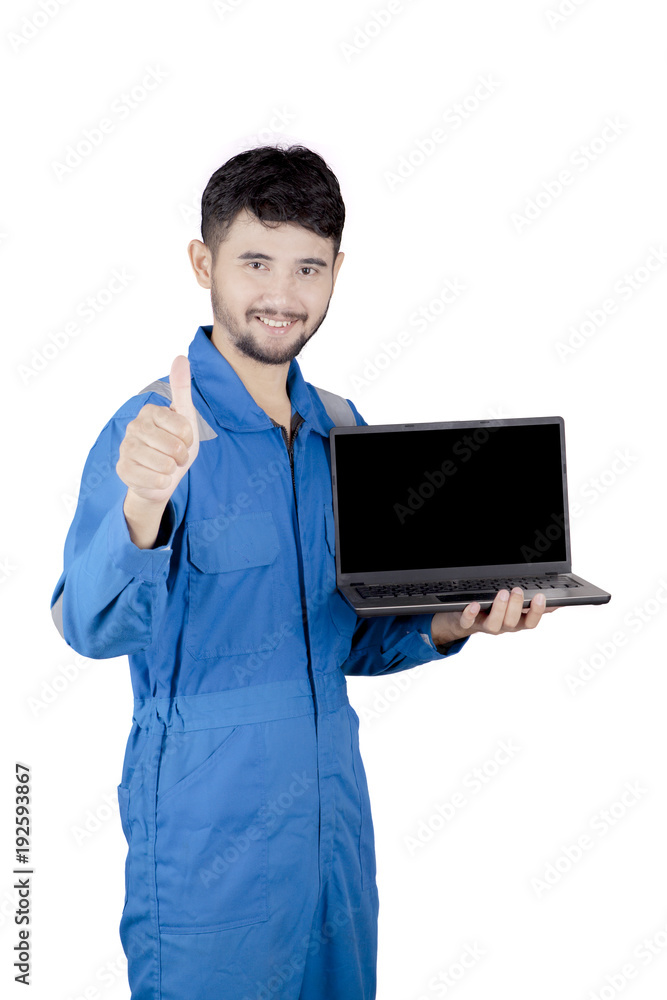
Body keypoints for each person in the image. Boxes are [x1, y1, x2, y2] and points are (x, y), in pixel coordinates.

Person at [50, 144, 554, 1000]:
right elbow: (89, 626)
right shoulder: (155, 432)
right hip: (208, 841)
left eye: (307, 267)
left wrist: (448, 622)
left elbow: (344, 636)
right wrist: (144, 503)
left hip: (333, 830)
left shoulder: (340, 430)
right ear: (203, 263)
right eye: (255, 262)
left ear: (336, 273)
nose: (281, 294)